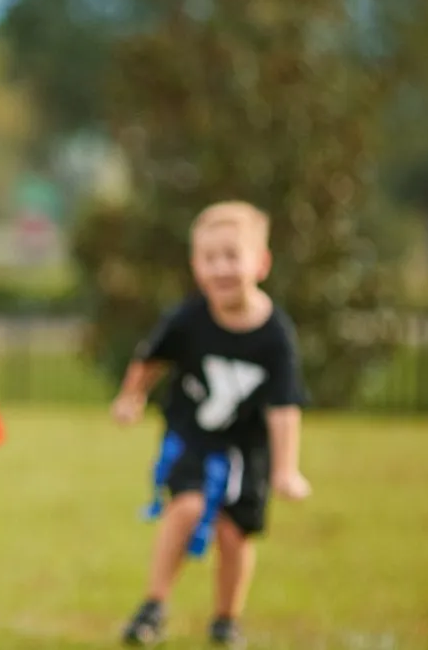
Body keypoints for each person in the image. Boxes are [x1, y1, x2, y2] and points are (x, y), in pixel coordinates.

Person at [112, 201, 311, 648]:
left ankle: (226, 619)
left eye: (232, 256)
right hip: (192, 437)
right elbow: (150, 358)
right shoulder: (189, 318)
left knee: (233, 533)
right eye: (210, 258)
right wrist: (131, 397)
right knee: (185, 507)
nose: (221, 268)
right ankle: (153, 606)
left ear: (261, 263)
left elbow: (284, 407)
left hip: (247, 448)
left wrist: (285, 470)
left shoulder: (275, 335)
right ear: (195, 265)